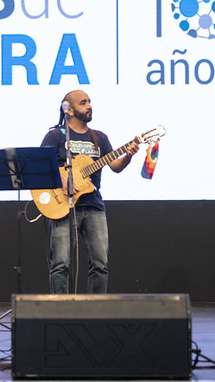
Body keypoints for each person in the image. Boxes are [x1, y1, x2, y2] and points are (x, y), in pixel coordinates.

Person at [40, 90, 140, 294]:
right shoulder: (55, 136)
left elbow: (116, 166)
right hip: (63, 205)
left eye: (89, 102)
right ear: (69, 109)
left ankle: (96, 307)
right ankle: (59, 308)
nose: (89, 106)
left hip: (94, 206)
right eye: (83, 102)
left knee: (100, 264)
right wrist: (62, 178)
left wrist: (129, 156)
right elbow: (41, 164)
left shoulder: (99, 137)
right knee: (60, 264)